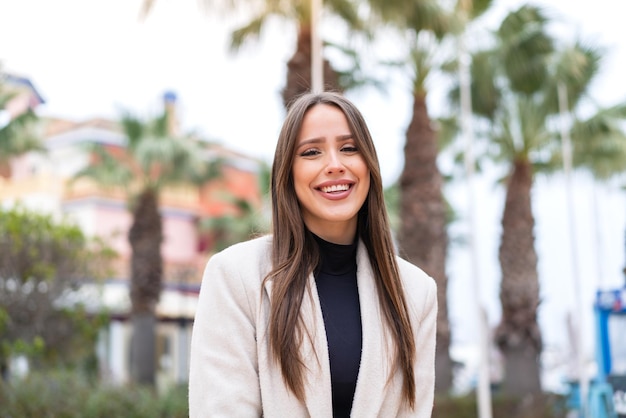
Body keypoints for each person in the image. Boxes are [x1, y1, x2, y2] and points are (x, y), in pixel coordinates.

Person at [188, 91, 437, 417]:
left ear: (369, 165)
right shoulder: (235, 275)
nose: (335, 165)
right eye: (312, 152)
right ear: (287, 174)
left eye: (349, 148)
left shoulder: (415, 291)